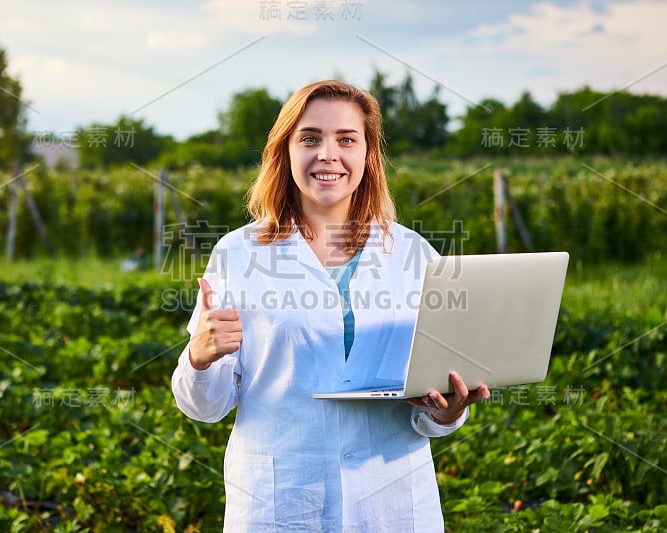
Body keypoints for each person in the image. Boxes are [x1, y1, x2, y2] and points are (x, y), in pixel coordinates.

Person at [172, 80, 490, 532]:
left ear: (368, 154)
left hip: (390, 503)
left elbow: (431, 410)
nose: (328, 154)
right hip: (281, 503)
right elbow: (205, 407)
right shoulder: (238, 253)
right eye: (310, 138)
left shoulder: (412, 254)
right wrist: (200, 359)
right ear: (285, 151)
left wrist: (448, 410)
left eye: (346, 139)